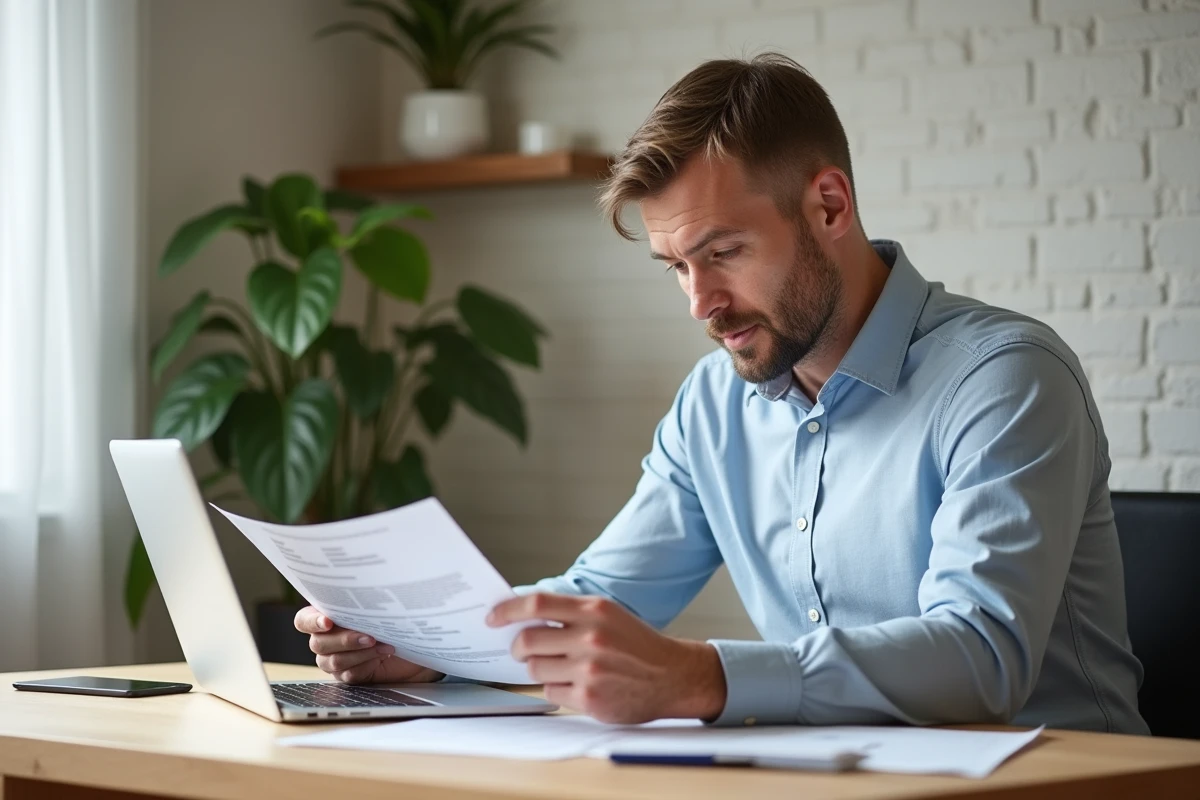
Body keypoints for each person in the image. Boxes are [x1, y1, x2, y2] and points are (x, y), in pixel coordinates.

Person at [295, 53, 1148, 734]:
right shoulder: (716, 404)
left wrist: (704, 676)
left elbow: (980, 655)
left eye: (724, 252)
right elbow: (603, 601)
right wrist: (432, 651)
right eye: (676, 266)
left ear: (829, 204)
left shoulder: (1004, 379)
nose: (700, 303)